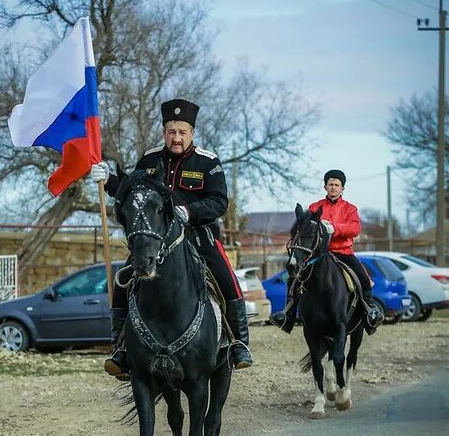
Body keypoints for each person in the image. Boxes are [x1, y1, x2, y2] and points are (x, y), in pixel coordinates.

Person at [91, 97, 253, 376]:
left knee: (228, 279)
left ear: (191, 133)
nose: (176, 138)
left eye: (182, 132)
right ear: (164, 131)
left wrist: (188, 212)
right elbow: (132, 193)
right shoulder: (149, 160)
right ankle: (121, 348)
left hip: (198, 237)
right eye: (171, 131)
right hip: (157, 239)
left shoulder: (208, 162)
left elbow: (219, 202)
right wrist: (108, 181)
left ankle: (238, 342)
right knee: (123, 280)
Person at [271, 169, 384, 335]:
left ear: (342, 188)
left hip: (342, 252)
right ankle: (287, 314)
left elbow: (355, 228)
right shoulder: (315, 207)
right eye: (330, 184)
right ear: (325, 186)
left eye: (337, 185)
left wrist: (334, 228)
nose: (333, 187)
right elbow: (305, 228)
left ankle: (370, 312)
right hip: (318, 254)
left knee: (363, 278)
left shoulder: (350, 209)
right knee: (294, 277)